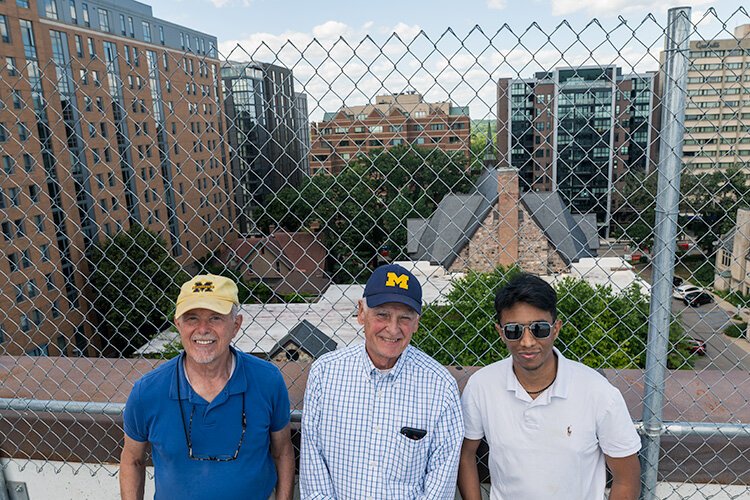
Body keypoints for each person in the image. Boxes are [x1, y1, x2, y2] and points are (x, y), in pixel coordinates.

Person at [458, 273, 641, 500]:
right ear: (500, 333)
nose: (527, 342)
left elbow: (627, 478)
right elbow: (465, 455)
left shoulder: (598, 393)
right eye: (514, 330)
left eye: (540, 329)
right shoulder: (482, 386)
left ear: (556, 329)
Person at [120, 274, 294, 500]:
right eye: (192, 318)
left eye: (215, 318)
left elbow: (283, 452)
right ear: (178, 325)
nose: (203, 329)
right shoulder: (147, 391)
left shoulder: (267, 380)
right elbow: (132, 459)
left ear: (236, 325)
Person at [300, 263, 463, 499]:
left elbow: (441, 481)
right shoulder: (325, 374)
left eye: (404, 318)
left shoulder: (440, 386)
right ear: (361, 313)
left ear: (416, 323)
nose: (393, 329)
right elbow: (313, 469)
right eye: (382, 315)